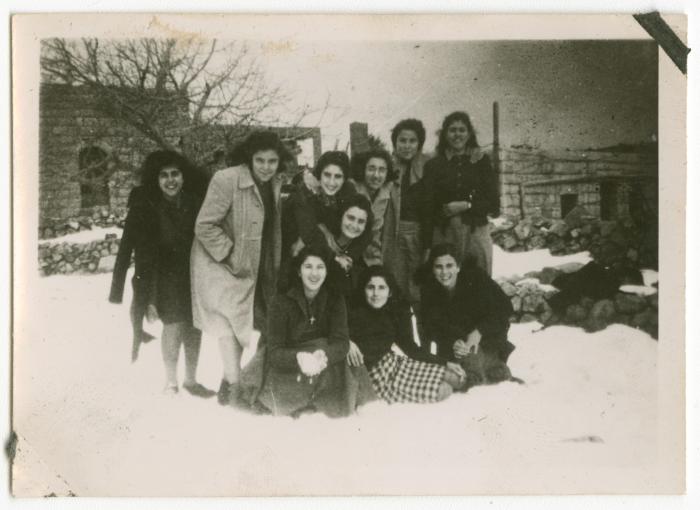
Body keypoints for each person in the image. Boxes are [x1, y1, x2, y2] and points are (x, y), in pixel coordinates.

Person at [190, 131, 292, 406]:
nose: (266, 167)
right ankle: (235, 391)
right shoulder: (227, 179)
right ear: (249, 158)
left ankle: (228, 381)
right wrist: (231, 253)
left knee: (240, 322)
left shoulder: (274, 183)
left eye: (272, 161)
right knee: (227, 323)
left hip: (251, 265)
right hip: (217, 262)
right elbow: (204, 225)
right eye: (260, 160)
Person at [110, 150, 212, 396]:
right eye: (164, 175)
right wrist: (118, 290)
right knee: (174, 324)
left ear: (184, 176)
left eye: (175, 174)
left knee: (194, 326)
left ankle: (191, 380)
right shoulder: (145, 207)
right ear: (155, 180)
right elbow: (126, 248)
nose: (170, 180)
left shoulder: (196, 203)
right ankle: (171, 381)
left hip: (193, 274)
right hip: (162, 277)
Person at [257, 247, 375, 417]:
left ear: (327, 271)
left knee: (349, 357)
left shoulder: (335, 298)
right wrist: (300, 358)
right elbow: (275, 352)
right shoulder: (280, 301)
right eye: (308, 267)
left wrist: (322, 356)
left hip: (322, 360)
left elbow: (341, 342)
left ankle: (360, 406)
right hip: (290, 363)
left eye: (320, 267)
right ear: (298, 271)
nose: (314, 273)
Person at [347, 266, 466, 404]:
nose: (375, 293)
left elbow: (411, 348)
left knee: (457, 378)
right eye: (370, 287)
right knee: (444, 390)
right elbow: (334, 335)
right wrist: (347, 342)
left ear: (390, 292)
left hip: (393, 365)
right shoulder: (352, 312)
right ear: (363, 290)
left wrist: (446, 363)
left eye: (381, 288)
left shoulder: (393, 312)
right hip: (374, 377)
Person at [419, 244, 515, 388]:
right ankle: (486, 371)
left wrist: (479, 332)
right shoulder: (429, 289)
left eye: (449, 265)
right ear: (433, 269)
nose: (444, 272)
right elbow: (430, 327)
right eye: (439, 267)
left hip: (484, 338)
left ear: (458, 267)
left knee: (473, 371)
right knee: (460, 371)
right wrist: (454, 342)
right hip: (453, 343)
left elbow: (505, 308)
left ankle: (492, 367)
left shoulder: (476, 279)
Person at [422, 111, 499, 275]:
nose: (457, 134)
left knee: (478, 283)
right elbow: (427, 207)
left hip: (476, 233)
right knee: (446, 283)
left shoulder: (481, 162)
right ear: (444, 134)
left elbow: (493, 203)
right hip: (444, 234)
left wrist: (467, 205)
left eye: (462, 130)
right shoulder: (433, 165)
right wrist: (427, 246)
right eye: (452, 130)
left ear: (469, 133)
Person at [279, 151, 357, 289]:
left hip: (322, 257)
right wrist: (336, 256)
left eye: (338, 176)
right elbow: (308, 233)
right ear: (319, 175)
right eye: (327, 175)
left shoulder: (345, 193)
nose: (332, 182)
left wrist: (348, 254)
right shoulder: (303, 193)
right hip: (294, 263)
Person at [109, 185, 156, 362]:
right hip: (145, 266)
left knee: (140, 303)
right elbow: (125, 250)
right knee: (139, 302)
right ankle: (136, 344)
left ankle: (138, 338)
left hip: (156, 264)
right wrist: (116, 292)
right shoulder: (138, 208)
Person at [390, 119, 431, 308]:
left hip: (419, 236)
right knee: (396, 290)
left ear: (419, 143)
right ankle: (403, 338)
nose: (407, 146)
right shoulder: (387, 167)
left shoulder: (429, 168)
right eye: (402, 140)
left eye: (412, 141)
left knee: (420, 291)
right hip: (392, 235)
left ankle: (425, 338)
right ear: (395, 142)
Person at [351, 149, 400, 269]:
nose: (376, 175)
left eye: (382, 170)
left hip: (374, 255)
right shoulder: (351, 189)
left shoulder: (388, 191)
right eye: (371, 169)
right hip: (351, 253)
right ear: (363, 169)